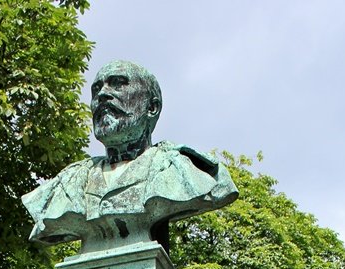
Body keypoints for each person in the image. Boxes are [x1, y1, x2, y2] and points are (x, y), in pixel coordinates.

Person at [22, 60, 238, 254]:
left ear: (151, 108)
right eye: (96, 89)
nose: (102, 95)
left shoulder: (182, 169)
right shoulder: (67, 182)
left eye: (118, 84)